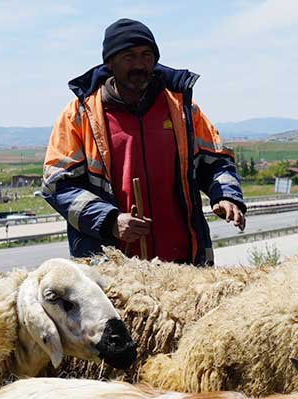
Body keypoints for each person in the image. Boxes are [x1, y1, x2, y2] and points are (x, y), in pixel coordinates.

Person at [41, 18, 246, 263]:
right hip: (111, 268)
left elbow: (216, 162)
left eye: (146, 55)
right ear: (110, 63)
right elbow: (57, 185)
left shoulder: (182, 109)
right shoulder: (78, 115)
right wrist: (109, 220)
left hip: (184, 262)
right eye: (128, 56)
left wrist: (225, 195)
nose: (139, 64)